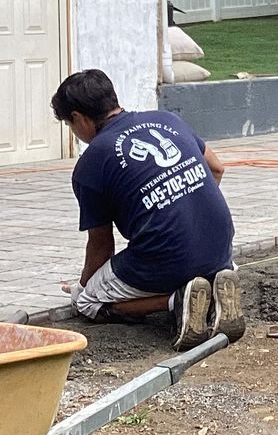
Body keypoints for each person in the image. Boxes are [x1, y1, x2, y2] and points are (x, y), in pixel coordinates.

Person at [50, 69, 243, 347]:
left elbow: (101, 246)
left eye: (70, 125)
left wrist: (83, 288)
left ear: (79, 118)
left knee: (88, 303)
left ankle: (177, 300)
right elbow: (217, 168)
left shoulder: (91, 163)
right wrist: (185, 209)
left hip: (166, 258)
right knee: (186, 260)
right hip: (219, 246)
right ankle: (212, 285)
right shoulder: (166, 119)